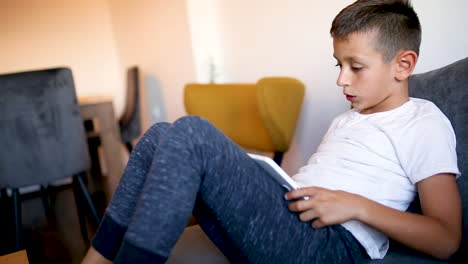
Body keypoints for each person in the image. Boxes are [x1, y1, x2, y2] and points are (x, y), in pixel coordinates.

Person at [82, 0, 461, 263]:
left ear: (403, 64)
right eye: (338, 65)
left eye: (355, 67)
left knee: (191, 133)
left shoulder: (423, 122)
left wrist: (354, 205)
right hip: (290, 218)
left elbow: (445, 238)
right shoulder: (348, 119)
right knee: (158, 135)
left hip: (328, 246)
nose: (341, 79)